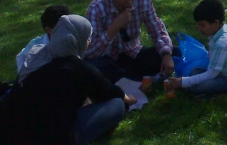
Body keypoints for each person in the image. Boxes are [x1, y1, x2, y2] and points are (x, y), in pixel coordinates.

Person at [0, 15, 135, 145]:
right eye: (87, 37)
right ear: (77, 39)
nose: (89, 41)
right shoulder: (79, 68)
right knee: (116, 105)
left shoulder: (36, 55)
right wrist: (131, 99)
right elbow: (111, 93)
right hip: (50, 138)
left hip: (11, 132)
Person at [85, 0, 177, 83]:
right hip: (108, 58)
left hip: (133, 53)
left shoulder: (143, 1)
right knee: (93, 67)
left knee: (175, 53)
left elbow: (157, 31)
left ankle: (129, 80)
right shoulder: (96, 9)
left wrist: (166, 54)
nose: (129, 1)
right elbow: (91, 52)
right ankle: (137, 79)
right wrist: (113, 28)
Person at [165, 0, 227, 97]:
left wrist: (182, 82)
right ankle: (189, 85)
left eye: (202, 25)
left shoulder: (222, 44)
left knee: (203, 85)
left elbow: (211, 75)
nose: (199, 28)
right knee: (195, 71)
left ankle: (205, 93)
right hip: (224, 72)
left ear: (215, 22)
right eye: (198, 25)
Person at [16, 5, 71, 72]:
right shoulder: (37, 44)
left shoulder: (72, 39)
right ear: (49, 29)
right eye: (62, 27)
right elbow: (21, 57)